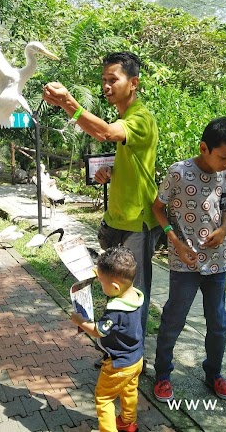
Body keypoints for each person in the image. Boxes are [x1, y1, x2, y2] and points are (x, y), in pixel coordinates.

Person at [44, 51, 160, 344]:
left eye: (113, 80)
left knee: (134, 294)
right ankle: (114, 350)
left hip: (138, 223)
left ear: (133, 83)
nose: (106, 86)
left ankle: (132, 356)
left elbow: (107, 134)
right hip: (115, 219)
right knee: (112, 287)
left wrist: (68, 103)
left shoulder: (141, 118)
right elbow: (129, 158)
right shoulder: (125, 117)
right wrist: (110, 171)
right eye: (104, 80)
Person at [151, 117, 226, 403]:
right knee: (174, 319)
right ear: (204, 147)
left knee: (218, 323)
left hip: (217, 263)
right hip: (185, 263)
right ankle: (163, 374)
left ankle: (213, 373)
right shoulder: (178, 172)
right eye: (223, 156)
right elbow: (157, 208)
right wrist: (174, 241)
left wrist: (224, 228)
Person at [71, 247, 144, 432]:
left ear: (115, 287)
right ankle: (128, 423)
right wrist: (101, 273)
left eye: (102, 282)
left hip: (118, 364)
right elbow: (115, 283)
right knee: (129, 391)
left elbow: (98, 331)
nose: (100, 285)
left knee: (103, 398)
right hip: (136, 359)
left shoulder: (116, 311)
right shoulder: (134, 295)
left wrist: (81, 321)